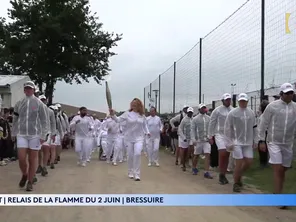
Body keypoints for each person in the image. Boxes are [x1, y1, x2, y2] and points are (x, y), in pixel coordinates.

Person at [258, 83, 296, 209]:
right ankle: (279, 197)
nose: (290, 95)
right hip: (273, 142)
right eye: (287, 93)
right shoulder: (272, 106)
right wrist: (261, 140)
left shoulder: (295, 107)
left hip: (288, 143)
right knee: (278, 168)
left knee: (283, 169)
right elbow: (263, 123)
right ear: (281, 94)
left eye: (291, 92)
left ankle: (277, 191)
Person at [12, 81, 49, 191]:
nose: (28, 90)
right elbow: (15, 119)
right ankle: (25, 174)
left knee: (33, 159)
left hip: (35, 135)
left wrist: (43, 135)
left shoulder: (39, 104)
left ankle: (30, 181)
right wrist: (14, 132)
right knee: (22, 158)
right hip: (22, 134)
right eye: (26, 88)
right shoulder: (19, 103)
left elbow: (44, 120)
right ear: (24, 90)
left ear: (33, 90)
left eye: (30, 88)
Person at [109, 98, 150, 181]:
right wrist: (113, 115)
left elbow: (145, 125)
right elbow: (118, 120)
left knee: (137, 154)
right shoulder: (127, 114)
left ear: (139, 105)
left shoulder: (142, 115)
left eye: (136, 103)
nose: (134, 105)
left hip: (139, 138)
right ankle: (130, 171)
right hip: (128, 138)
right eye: (133, 103)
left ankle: (137, 174)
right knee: (130, 155)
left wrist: (147, 132)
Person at [224, 93, 258, 192]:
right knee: (238, 163)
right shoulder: (233, 113)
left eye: (245, 101)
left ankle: (238, 175)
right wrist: (229, 142)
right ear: (238, 102)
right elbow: (227, 128)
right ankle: (236, 183)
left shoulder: (251, 113)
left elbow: (255, 127)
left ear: (247, 101)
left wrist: (256, 140)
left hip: (248, 143)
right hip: (237, 142)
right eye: (241, 101)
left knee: (249, 162)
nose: (243, 103)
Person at [209, 93, 233, 185]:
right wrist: (210, 136)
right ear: (222, 100)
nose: (228, 101)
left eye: (229, 99)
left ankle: (223, 174)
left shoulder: (233, 110)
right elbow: (212, 123)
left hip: (229, 135)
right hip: (219, 134)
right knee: (222, 152)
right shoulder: (217, 110)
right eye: (226, 99)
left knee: (227, 155)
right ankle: (221, 174)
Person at [190, 104, 213, 178]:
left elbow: (210, 128)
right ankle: (194, 167)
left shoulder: (209, 118)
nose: (203, 109)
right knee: (196, 155)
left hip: (206, 140)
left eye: (204, 108)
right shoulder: (195, 119)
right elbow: (192, 130)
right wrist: (193, 139)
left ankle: (206, 171)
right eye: (202, 108)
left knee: (207, 155)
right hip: (199, 140)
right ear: (199, 110)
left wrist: (210, 137)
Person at [36, 95, 56, 176]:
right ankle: (39, 165)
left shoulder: (50, 111)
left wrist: (53, 133)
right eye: (41, 100)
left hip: (47, 132)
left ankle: (44, 166)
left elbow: (53, 123)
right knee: (37, 151)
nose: (43, 101)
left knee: (46, 149)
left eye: (44, 100)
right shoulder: (35, 110)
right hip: (37, 132)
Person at [178, 107, 194, 171]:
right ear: (187, 112)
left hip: (191, 138)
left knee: (190, 151)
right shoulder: (184, 120)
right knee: (184, 151)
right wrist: (183, 137)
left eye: (191, 112)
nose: (190, 113)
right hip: (184, 138)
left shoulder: (193, 119)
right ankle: (183, 164)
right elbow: (180, 129)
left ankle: (189, 163)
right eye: (189, 112)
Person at [48, 105, 63, 169]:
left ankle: (51, 161)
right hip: (52, 134)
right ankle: (52, 161)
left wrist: (62, 134)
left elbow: (60, 127)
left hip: (52, 134)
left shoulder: (57, 118)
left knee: (51, 149)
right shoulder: (57, 118)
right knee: (52, 149)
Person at [257, 100, 269, 168]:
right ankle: (264, 162)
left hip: (263, 133)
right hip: (266, 132)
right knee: (265, 148)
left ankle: (263, 163)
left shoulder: (262, 116)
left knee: (262, 148)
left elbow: (260, 127)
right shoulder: (265, 116)